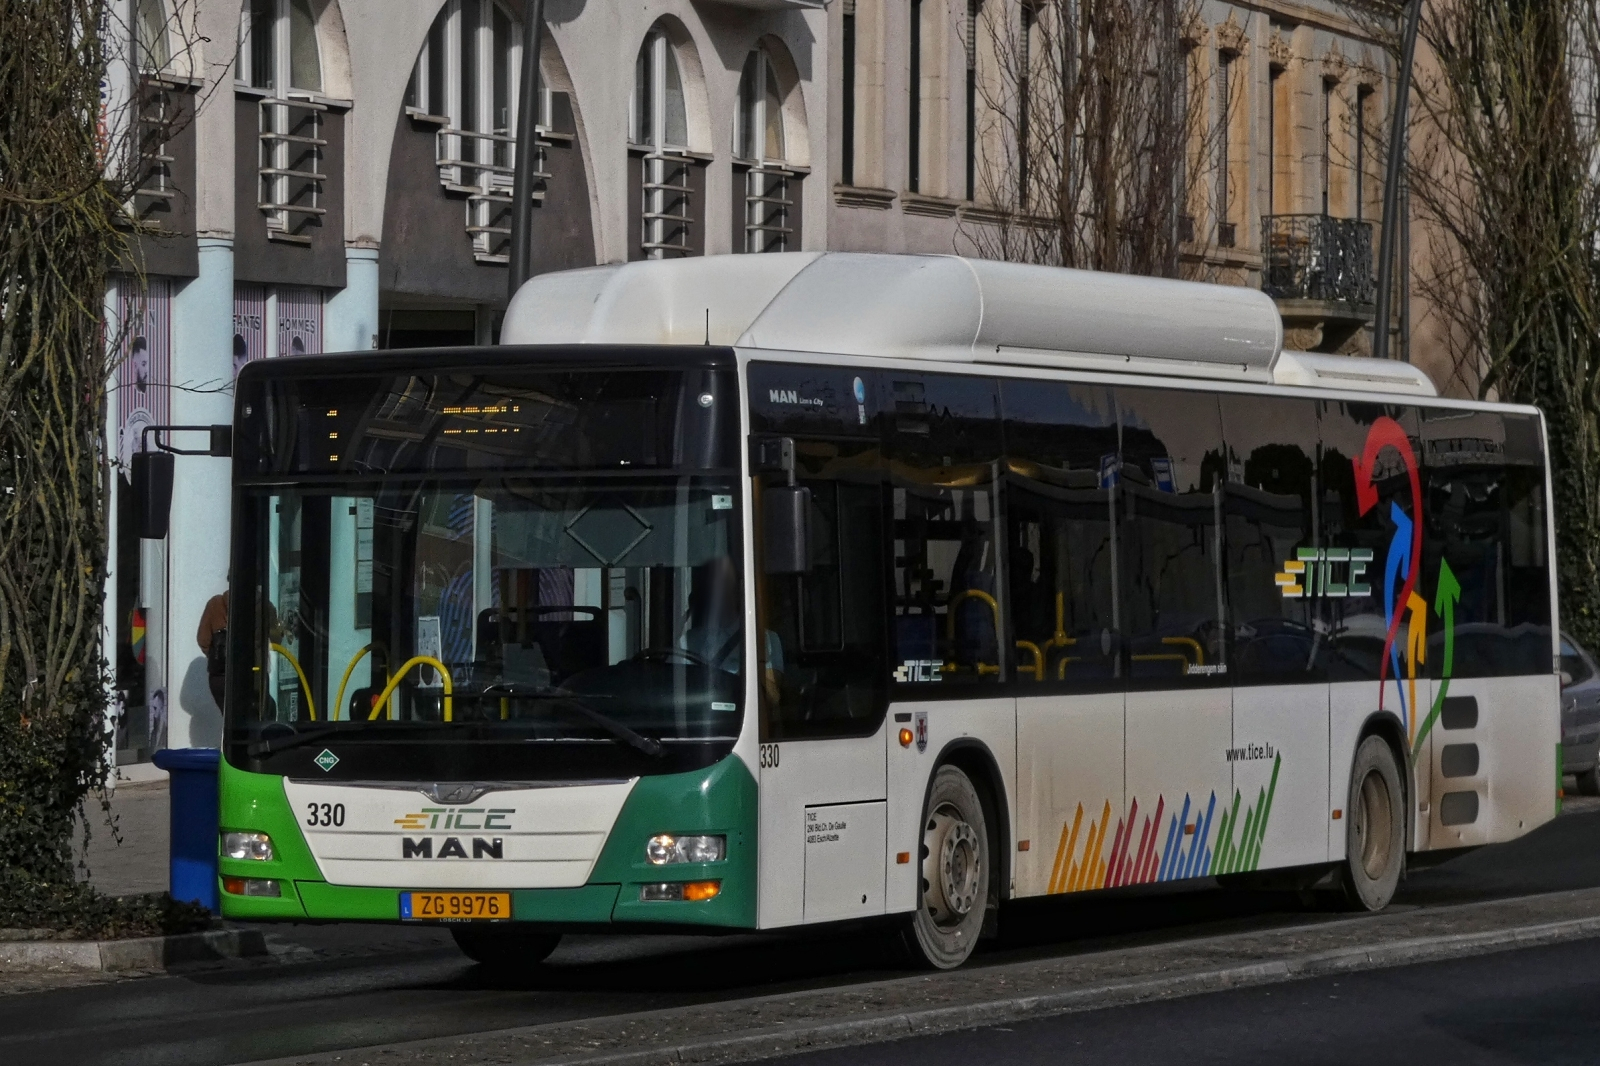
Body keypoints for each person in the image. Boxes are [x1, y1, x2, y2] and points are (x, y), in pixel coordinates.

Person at [681, 556, 783, 702]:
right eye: (712, 586)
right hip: (699, 717)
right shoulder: (688, 641)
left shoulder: (765, 638)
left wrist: (756, 663)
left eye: (724, 586)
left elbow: (772, 698)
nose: (717, 592)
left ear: (738, 592)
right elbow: (677, 691)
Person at [197, 591, 229, 709]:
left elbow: (203, 640)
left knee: (227, 718)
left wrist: (216, 654)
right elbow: (276, 638)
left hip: (219, 675)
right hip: (254, 676)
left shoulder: (215, 603)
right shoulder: (262, 605)